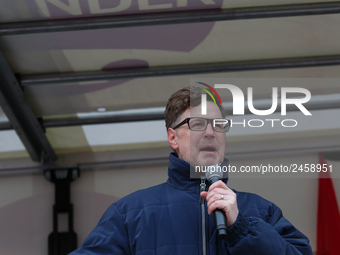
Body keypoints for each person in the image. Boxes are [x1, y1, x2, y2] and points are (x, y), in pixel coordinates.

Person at [70, 87, 312, 254]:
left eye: (218, 124)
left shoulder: (261, 212)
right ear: (172, 137)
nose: (210, 132)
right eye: (197, 124)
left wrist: (241, 227)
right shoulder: (129, 214)